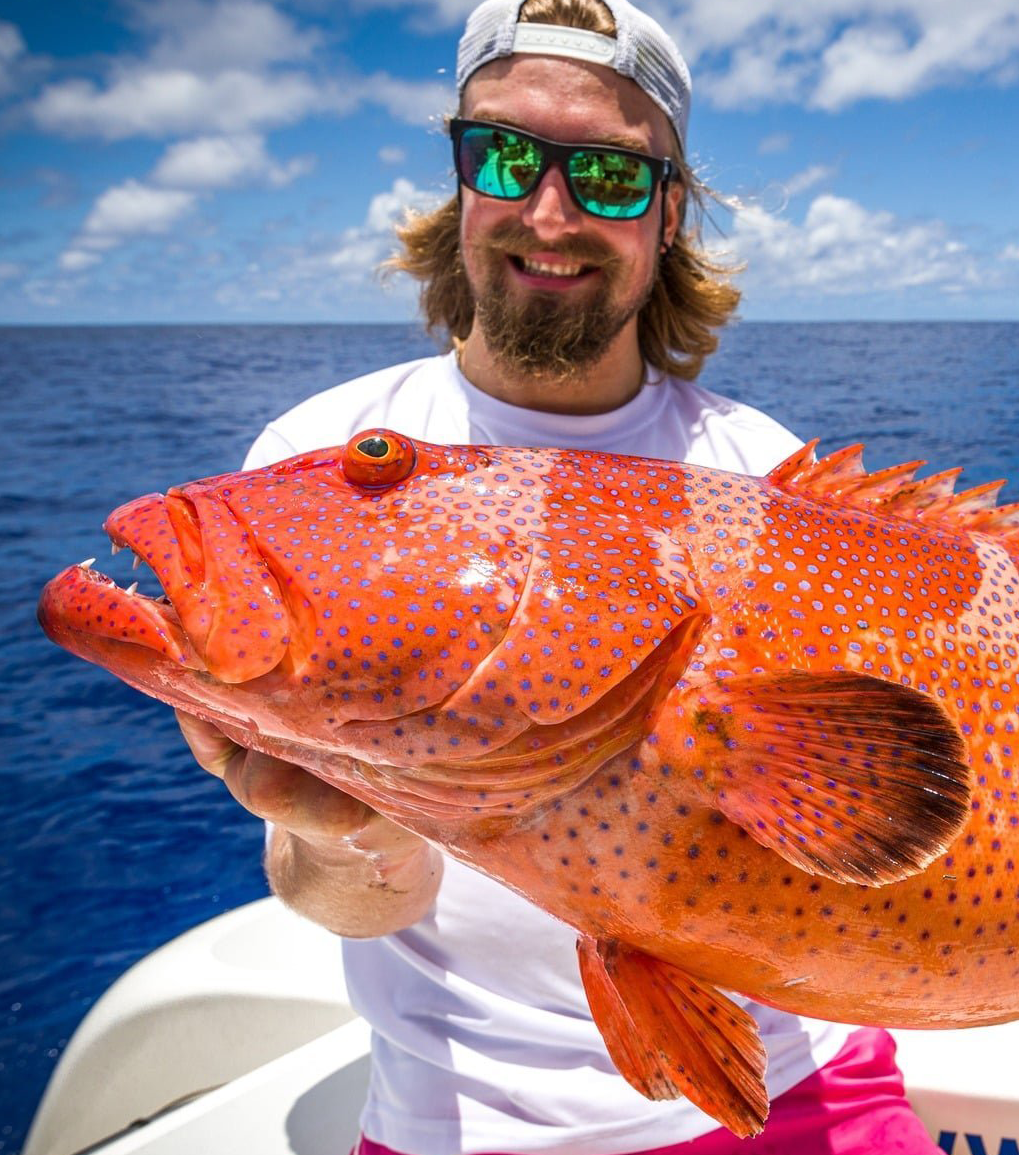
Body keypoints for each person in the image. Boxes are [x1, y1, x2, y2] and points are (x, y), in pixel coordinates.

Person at [173, 2, 944, 1153]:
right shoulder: (321, 463)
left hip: (801, 1095)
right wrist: (347, 836)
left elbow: (874, 836)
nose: (550, 210)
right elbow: (343, 895)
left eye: (612, 177)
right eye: (507, 155)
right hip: (460, 1123)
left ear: (669, 211)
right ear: (461, 178)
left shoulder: (770, 482)